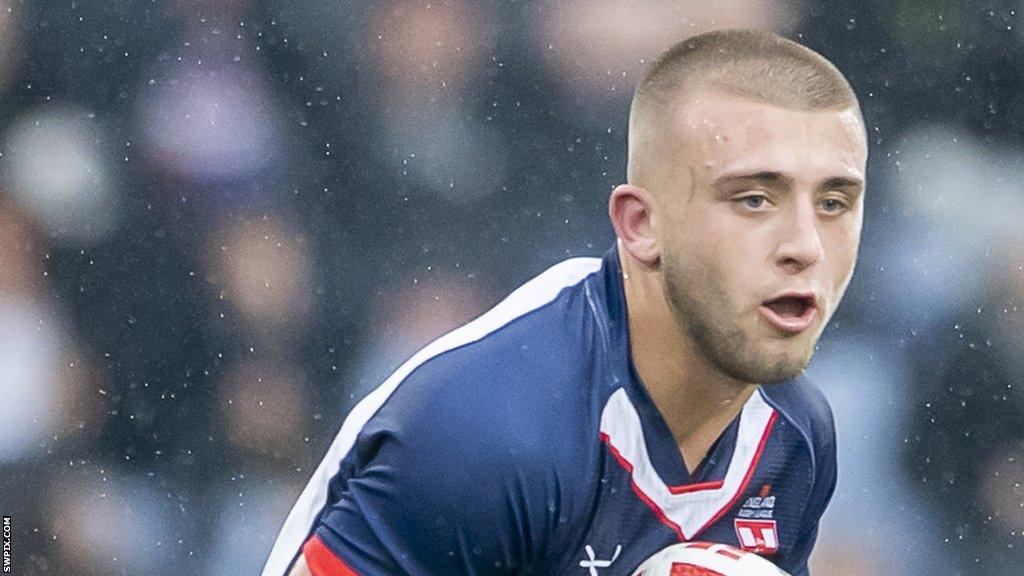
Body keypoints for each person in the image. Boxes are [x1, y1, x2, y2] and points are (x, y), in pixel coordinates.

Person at [262, 28, 867, 576]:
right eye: (755, 200)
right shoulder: (489, 436)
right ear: (640, 226)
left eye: (834, 203)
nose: (806, 247)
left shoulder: (796, 435)